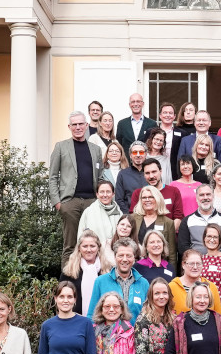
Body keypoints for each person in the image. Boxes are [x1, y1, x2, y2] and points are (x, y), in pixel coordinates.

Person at [50, 110, 103, 261]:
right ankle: (67, 282)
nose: (78, 127)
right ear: (69, 126)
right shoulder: (61, 147)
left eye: (81, 124)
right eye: (74, 124)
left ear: (86, 125)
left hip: (92, 202)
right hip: (70, 202)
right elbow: (52, 176)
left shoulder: (95, 149)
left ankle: (92, 281)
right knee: (70, 246)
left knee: (92, 244)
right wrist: (58, 203)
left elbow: (99, 176)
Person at [88, 238, 151, 322]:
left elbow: (149, 315)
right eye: (121, 255)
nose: (125, 259)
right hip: (107, 334)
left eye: (128, 256)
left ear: (134, 258)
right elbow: (91, 315)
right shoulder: (100, 282)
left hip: (136, 334)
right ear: (115, 257)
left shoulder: (143, 283)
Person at [59, 229, 113, 316]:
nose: (89, 250)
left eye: (92, 246)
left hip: (103, 321)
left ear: (98, 248)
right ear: (79, 248)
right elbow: (61, 299)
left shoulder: (109, 271)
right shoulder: (68, 272)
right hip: (75, 320)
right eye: (85, 246)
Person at [177, 184, 221, 256]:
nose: (205, 197)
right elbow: (183, 246)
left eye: (208, 194)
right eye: (201, 195)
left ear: (213, 197)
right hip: (195, 264)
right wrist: (197, 259)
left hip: (219, 262)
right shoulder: (187, 221)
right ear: (196, 198)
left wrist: (215, 257)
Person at [130, 158, 185, 228]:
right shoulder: (138, 193)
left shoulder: (173, 191)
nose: (151, 176)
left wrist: (167, 234)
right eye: (147, 173)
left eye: (154, 172)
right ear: (143, 175)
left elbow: (178, 217)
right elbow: (134, 217)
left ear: (160, 171)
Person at [130, 185, 178, 263]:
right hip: (134, 265)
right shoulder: (132, 219)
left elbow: (172, 253)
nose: (147, 200)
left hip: (158, 267)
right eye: (144, 198)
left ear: (158, 199)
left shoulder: (168, 222)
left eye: (151, 197)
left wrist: (171, 273)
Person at [169, 248, 221, 314]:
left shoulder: (211, 287)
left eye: (198, 263)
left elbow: (219, 316)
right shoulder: (172, 287)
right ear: (183, 264)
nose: (195, 267)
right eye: (191, 263)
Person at [77, 180, 123, 252]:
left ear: (113, 194)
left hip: (116, 253)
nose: (105, 195)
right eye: (102, 192)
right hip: (94, 253)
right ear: (97, 194)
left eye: (108, 192)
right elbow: (81, 235)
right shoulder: (88, 212)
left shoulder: (119, 212)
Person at [114, 142, 148, 213]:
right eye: (135, 152)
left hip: (150, 214)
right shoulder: (123, 174)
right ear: (130, 155)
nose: (138, 155)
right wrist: (129, 215)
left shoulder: (152, 173)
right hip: (130, 215)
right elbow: (119, 199)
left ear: (146, 154)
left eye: (141, 152)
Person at [156, 101, 185, 177]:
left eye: (170, 113)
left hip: (174, 171)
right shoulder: (151, 132)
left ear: (174, 116)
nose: (168, 115)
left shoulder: (182, 133)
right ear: (160, 115)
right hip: (155, 168)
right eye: (165, 112)